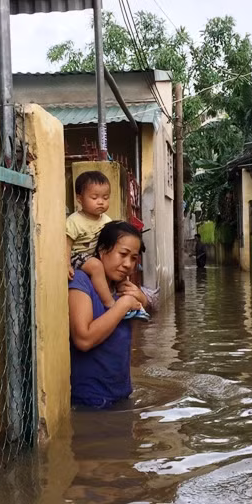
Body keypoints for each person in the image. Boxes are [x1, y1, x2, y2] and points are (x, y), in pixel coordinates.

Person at [69, 220, 150, 409]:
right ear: (103, 250)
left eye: (134, 258)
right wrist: (123, 305)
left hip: (122, 396)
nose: (128, 264)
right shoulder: (81, 281)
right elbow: (83, 339)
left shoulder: (121, 289)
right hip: (91, 403)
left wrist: (142, 300)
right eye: (123, 254)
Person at [66, 170, 148, 321]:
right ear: (79, 198)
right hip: (77, 256)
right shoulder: (74, 221)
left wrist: (143, 300)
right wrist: (66, 264)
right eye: (94, 198)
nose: (101, 202)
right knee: (96, 266)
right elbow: (67, 244)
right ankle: (110, 304)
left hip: (93, 257)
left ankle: (137, 308)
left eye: (105, 198)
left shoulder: (106, 220)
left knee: (122, 279)